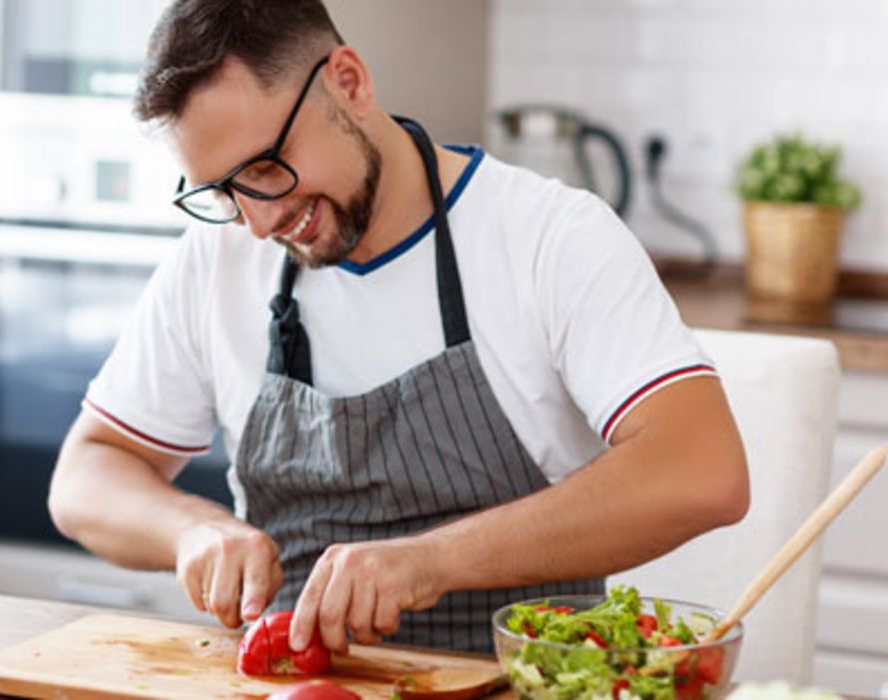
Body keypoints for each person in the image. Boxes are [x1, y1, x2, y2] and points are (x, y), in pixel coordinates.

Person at [48, 0, 748, 655]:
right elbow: (84, 476)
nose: (257, 221)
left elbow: (701, 471)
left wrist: (433, 560)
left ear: (348, 82)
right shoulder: (216, 260)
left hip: (511, 682)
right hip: (293, 686)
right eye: (221, 192)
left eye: (265, 167)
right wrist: (190, 530)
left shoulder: (549, 237)